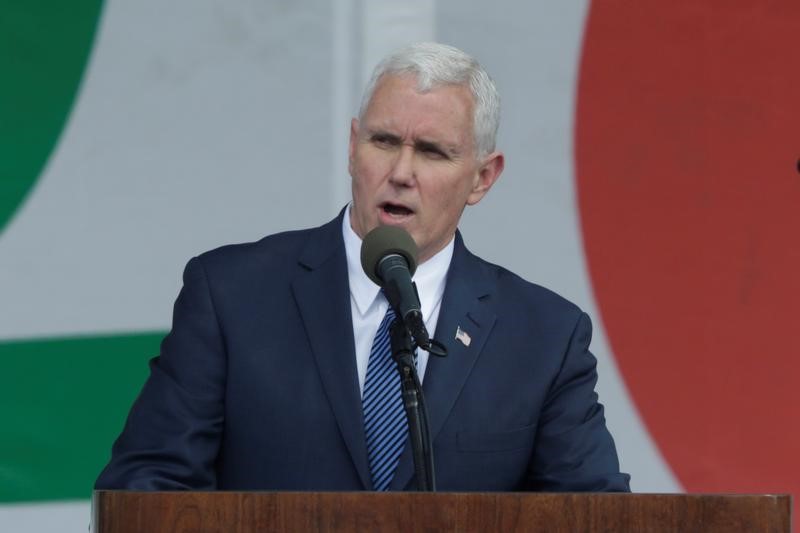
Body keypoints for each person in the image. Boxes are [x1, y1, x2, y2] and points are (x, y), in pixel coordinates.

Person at [96, 42, 630, 492]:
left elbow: (596, 515)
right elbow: (147, 485)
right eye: (384, 141)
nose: (400, 172)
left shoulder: (543, 336)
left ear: (482, 178)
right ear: (353, 147)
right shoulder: (231, 295)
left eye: (432, 152)